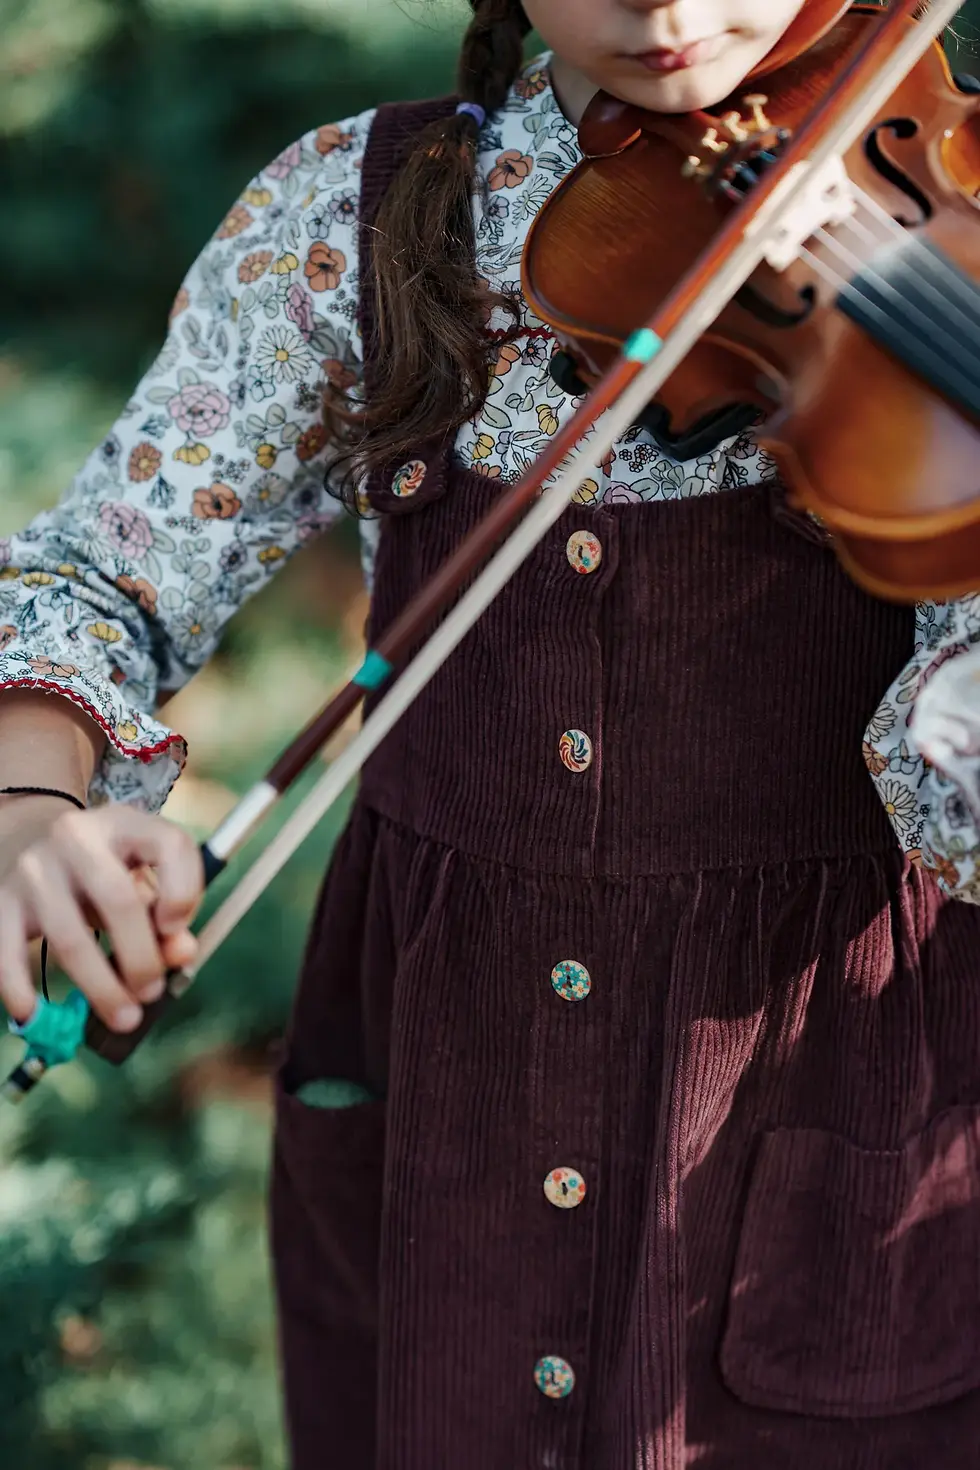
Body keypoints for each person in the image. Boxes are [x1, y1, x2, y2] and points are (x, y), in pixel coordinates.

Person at [1, 1, 979, 1465]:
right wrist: (30, 798)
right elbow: (98, 575)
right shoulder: (364, 213)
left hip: (816, 1103)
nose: (662, 4)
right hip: (454, 1092)